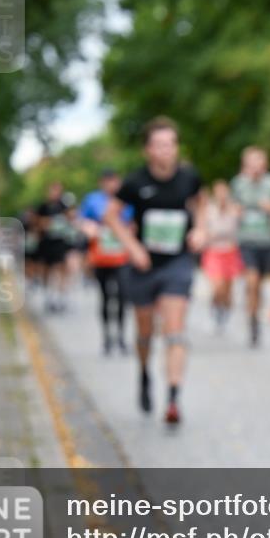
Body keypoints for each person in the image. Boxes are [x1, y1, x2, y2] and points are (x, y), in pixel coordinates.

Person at [104, 116, 208, 424]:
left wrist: (201, 230)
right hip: (145, 266)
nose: (165, 150)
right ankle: (145, 372)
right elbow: (111, 216)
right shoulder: (135, 182)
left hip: (177, 263)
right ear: (148, 150)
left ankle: (174, 397)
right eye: (159, 145)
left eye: (170, 144)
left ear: (176, 148)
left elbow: (201, 204)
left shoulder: (189, 177)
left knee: (175, 330)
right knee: (145, 331)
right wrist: (132, 247)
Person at [231, 146, 270, 347]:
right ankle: (252, 321)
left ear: (265, 164)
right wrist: (236, 212)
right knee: (252, 279)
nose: (256, 167)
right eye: (251, 163)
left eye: (259, 162)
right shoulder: (239, 184)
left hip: (267, 241)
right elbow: (229, 207)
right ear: (245, 165)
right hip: (246, 241)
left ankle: (255, 313)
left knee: (259, 284)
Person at [79, 168, 133, 355]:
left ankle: (121, 337)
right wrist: (89, 227)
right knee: (105, 297)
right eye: (108, 181)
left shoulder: (127, 198)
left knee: (122, 296)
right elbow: (81, 220)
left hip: (122, 256)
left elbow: (134, 221)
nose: (112, 185)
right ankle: (106, 339)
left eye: (115, 181)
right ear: (102, 183)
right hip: (101, 256)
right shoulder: (93, 199)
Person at [201, 179, 243, 333]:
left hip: (230, 252)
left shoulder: (235, 210)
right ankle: (215, 308)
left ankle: (224, 313)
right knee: (217, 286)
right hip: (213, 251)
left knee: (228, 289)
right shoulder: (209, 210)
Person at [35, 182, 72, 313]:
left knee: (61, 269)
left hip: (60, 242)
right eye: (53, 190)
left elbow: (71, 220)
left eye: (58, 190)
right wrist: (46, 223)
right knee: (47, 270)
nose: (55, 193)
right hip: (47, 243)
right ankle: (48, 295)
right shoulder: (43, 206)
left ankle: (61, 297)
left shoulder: (64, 206)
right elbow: (37, 224)